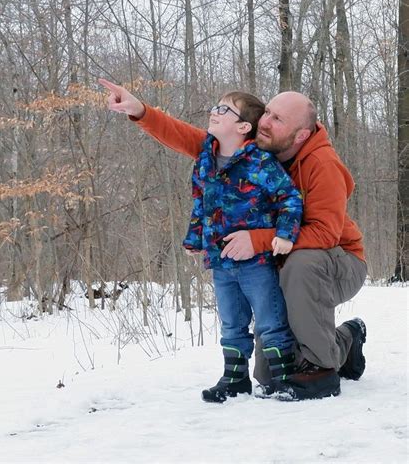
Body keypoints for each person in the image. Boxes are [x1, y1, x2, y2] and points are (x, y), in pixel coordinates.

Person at [99, 79, 367, 402]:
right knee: (267, 373)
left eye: (277, 119)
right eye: (267, 112)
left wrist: (258, 240)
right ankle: (347, 339)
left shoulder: (323, 166)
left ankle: (323, 369)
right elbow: (192, 140)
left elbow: (325, 234)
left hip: (338, 261)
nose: (264, 122)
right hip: (278, 262)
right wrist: (141, 111)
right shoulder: (259, 144)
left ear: (301, 136)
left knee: (301, 264)